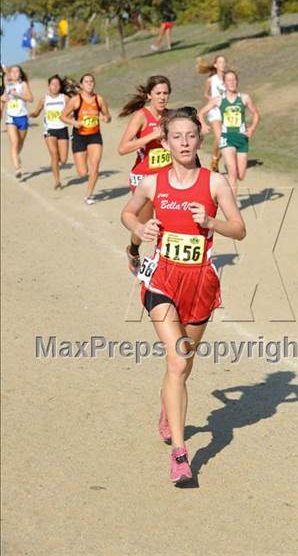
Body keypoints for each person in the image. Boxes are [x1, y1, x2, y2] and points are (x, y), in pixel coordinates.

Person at [121, 106, 246, 485]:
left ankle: (167, 409)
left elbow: (239, 230)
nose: (184, 142)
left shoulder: (215, 183)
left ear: (199, 138)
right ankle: (180, 453)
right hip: (161, 280)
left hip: (200, 284)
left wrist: (212, 223)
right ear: (166, 140)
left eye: (190, 135)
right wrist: (141, 229)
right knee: (177, 363)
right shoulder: (152, 182)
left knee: (183, 364)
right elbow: (128, 214)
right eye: (177, 136)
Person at [118, 75, 172, 275]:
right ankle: (133, 250)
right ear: (149, 95)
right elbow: (122, 148)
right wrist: (151, 136)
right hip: (144, 178)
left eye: (165, 93)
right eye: (158, 93)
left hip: (166, 178)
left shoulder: (171, 116)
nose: (162, 97)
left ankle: (165, 262)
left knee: (169, 219)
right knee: (143, 224)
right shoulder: (141, 116)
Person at [198, 70, 260, 197]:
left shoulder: (244, 98)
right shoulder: (219, 100)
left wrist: (252, 128)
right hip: (227, 138)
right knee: (232, 170)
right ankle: (232, 205)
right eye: (229, 80)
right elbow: (201, 113)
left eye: (234, 80)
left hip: (242, 138)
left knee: (241, 175)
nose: (231, 83)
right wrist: (203, 125)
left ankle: (226, 187)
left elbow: (256, 114)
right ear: (224, 84)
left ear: (237, 82)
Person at [60, 73, 111, 204]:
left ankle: (89, 195)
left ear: (94, 84)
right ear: (81, 85)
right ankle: (87, 181)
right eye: (86, 82)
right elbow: (63, 116)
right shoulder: (76, 100)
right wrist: (74, 122)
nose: (89, 84)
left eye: (91, 81)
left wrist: (106, 118)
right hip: (79, 137)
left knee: (95, 167)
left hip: (94, 136)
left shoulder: (99, 99)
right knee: (83, 172)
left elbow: (107, 115)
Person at [29, 74, 70, 190]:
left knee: (64, 159)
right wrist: (32, 114)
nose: (55, 86)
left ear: (60, 86)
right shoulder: (44, 99)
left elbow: (73, 109)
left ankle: (57, 165)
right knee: (54, 155)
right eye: (53, 84)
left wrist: (72, 115)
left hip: (62, 129)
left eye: (57, 84)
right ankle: (57, 181)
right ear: (49, 86)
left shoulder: (65, 98)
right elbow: (37, 112)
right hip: (49, 130)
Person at [1, 65, 33, 178]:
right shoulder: (6, 85)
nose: (14, 73)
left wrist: (18, 95)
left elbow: (30, 98)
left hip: (23, 118)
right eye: (12, 72)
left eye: (16, 71)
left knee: (20, 143)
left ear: (20, 74)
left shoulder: (23, 84)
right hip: (11, 118)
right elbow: (2, 94)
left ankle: (16, 156)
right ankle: (17, 168)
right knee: (14, 143)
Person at [197, 55, 226, 172]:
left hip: (227, 110)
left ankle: (216, 159)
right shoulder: (211, 80)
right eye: (220, 62)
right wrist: (212, 100)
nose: (223, 64)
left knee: (226, 139)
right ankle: (214, 157)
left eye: (224, 62)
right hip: (214, 110)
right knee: (220, 137)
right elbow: (205, 94)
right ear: (215, 65)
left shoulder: (228, 78)